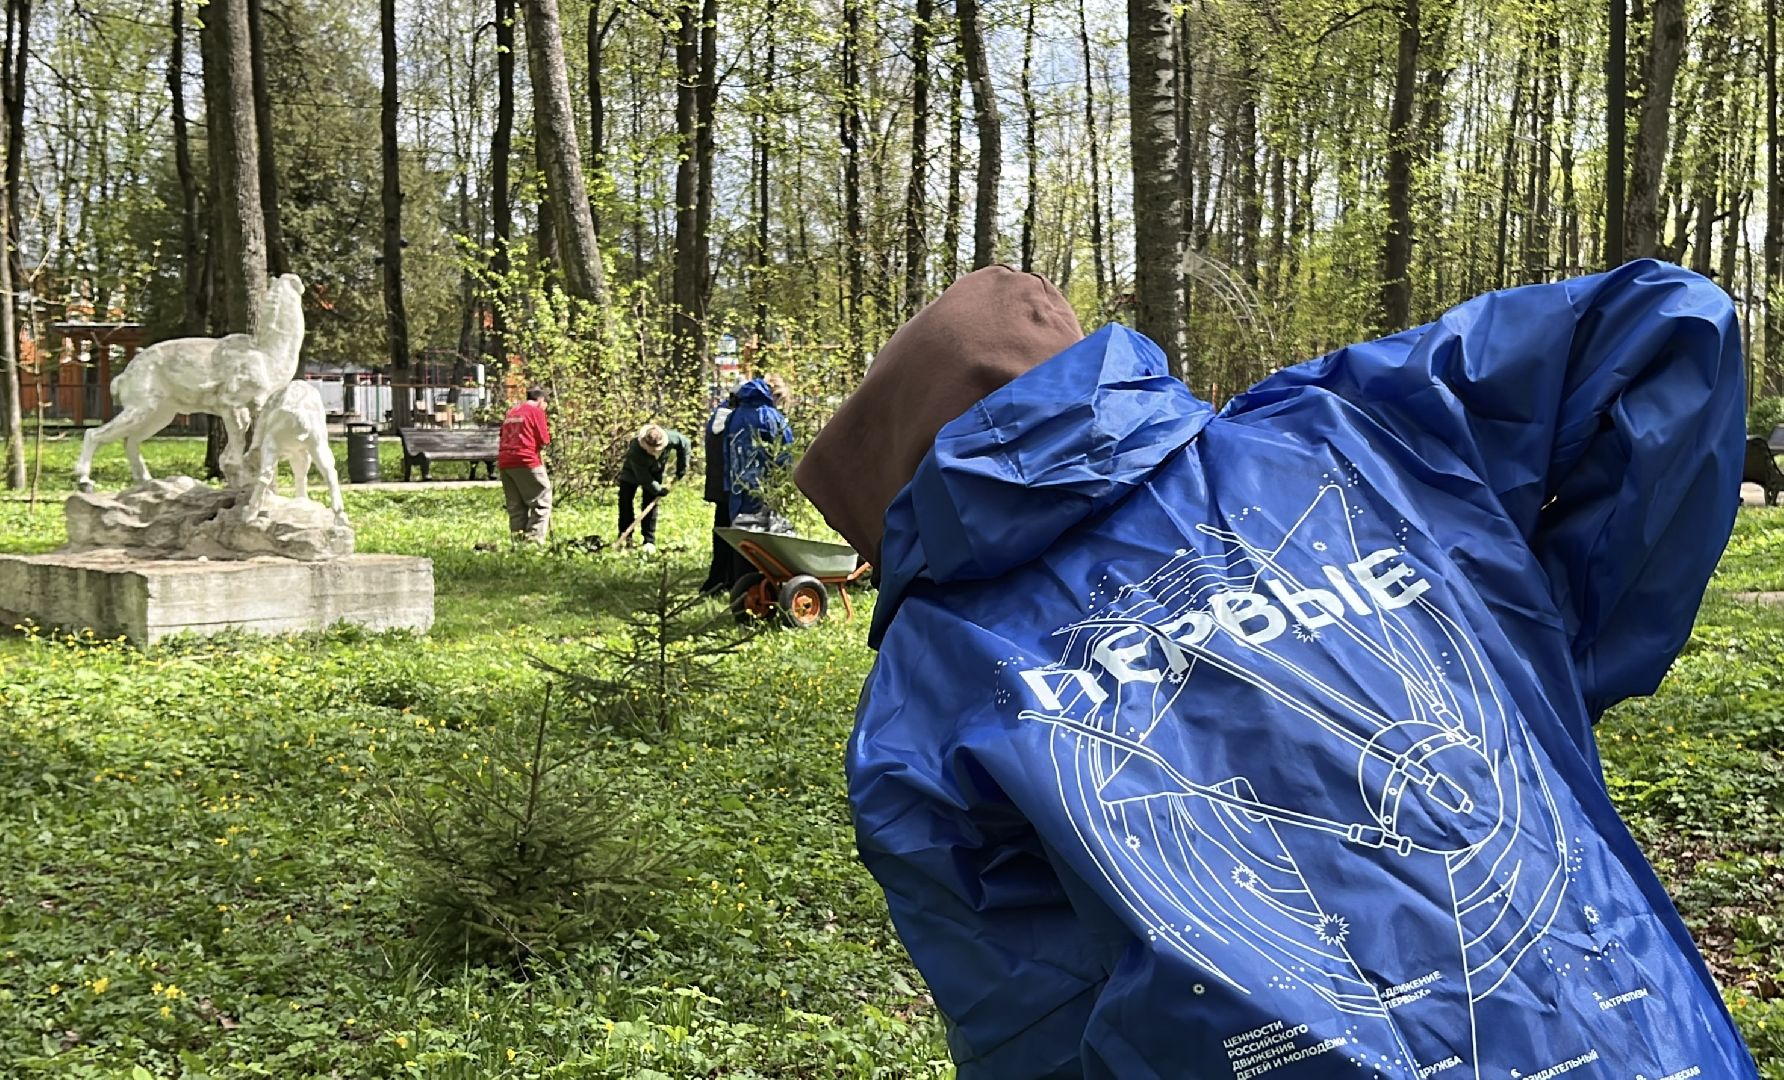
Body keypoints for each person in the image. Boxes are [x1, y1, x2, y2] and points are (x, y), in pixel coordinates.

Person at [793, 264, 1760, 1078]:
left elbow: (1031, 1029)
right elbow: (1670, 324)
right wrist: (1540, 657)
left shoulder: (927, 688)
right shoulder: (1340, 432)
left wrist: (1548, 660)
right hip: (1633, 1023)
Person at [723, 374, 793, 525]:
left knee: (742, 536)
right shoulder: (771, 417)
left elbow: (727, 453)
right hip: (764, 490)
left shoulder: (734, 415)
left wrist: (728, 485)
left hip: (738, 490)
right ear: (776, 396)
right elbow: (785, 453)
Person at [616, 422, 689, 553]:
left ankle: (649, 540)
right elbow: (644, 477)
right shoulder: (635, 450)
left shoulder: (671, 438)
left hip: (656, 472)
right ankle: (626, 538)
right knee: (625, 502)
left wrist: (681, 469)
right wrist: (658, 490)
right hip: (632, 473)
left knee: (650, 504)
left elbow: (685, 444)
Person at [496, 385, 551, 544]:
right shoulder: (537, 412)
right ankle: (533, 543)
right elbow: (544, 440)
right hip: (527, 460)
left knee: (516, 506)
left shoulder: (512, 411)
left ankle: (518, 541)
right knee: (542, 501)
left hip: (505, 461)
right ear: (541, 401)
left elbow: (502, 435)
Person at [699, 389, 741, 595]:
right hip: (731, 488)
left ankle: (718, 579)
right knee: (732, 535)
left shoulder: (720, 414)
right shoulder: (735, 420)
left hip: (720, 487)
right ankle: (728, 579)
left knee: (722, 532)